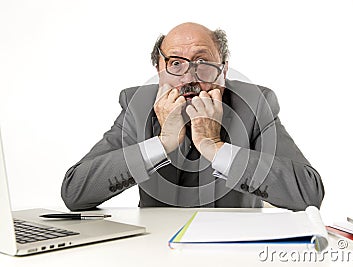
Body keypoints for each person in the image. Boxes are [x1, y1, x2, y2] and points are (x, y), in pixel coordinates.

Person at [61, 22, 324, 211]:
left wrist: (216, 148)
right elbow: (75, 192)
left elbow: (308, 193)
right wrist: (161, 143)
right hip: (153, 251)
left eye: (202, 63)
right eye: (175, 63)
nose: (189, 77)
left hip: (234, 249)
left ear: (223, 69)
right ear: (159, 70)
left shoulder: (254, 103)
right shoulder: (138, 105)